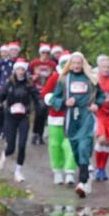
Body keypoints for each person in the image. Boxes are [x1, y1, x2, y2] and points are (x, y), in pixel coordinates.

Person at [48, 52, 103, 197]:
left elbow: (101, 96)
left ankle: (82, 182)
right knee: (76, 150)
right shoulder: (64, 79)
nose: (77, 66)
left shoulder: (91, 79)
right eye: (74, 63)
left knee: (84, 147)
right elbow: (54, 98)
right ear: (69, 65)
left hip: (87, 117)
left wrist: (96, 105)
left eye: (79, 63)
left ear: (83, 64)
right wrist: (64, 103)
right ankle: (85, 175)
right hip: (71, 119)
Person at [41, 51, 78, 185]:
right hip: (56, 118)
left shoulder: (78, 78)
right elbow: (45, 94)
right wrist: (59, 102)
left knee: (72, 145)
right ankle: (57, 171)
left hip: (73, 118)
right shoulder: (55, 77)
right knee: (55, 145)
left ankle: (69, 172)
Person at [0, 59, 36, 182]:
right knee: (11, 147)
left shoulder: (28, 84)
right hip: (10, 117)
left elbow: (36, 96)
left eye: (22, 69)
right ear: (15, 70)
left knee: (22, 144)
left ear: (25, 71)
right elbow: (0, 96)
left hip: (23, 117)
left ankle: (18, 171)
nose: (20, 72)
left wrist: (40, 105)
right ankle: (4, 155)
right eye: (18, 69)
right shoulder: (9, 83)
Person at [93, 54, 109, 182]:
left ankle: (102, 169)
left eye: (108, 67)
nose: (106, 69)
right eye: (103, 67)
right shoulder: (94, 79)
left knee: (108, 142)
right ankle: (98, 168)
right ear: (99, 66)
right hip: (98, 114)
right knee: (101, 140)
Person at [29, 43, 56, 145]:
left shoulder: (52, 65)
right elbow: (27, 75)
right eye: (43, 53)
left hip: (47, 91)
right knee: (38, 111)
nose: (45, 55)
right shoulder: (34, 63)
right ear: (40, 53)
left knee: (44, 112)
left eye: (47, 53)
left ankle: (39, 135)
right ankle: (35, 133)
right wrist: (32, 77)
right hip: (36, 90)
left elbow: (55, 76)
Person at [0, 43, 16, 139]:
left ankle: (6, 130)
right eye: (2, 52)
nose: (3, 53)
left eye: (5, 51)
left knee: (8, 110)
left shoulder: (12, 64)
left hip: (9, 89)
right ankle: (0, 129)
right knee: (0, 108)